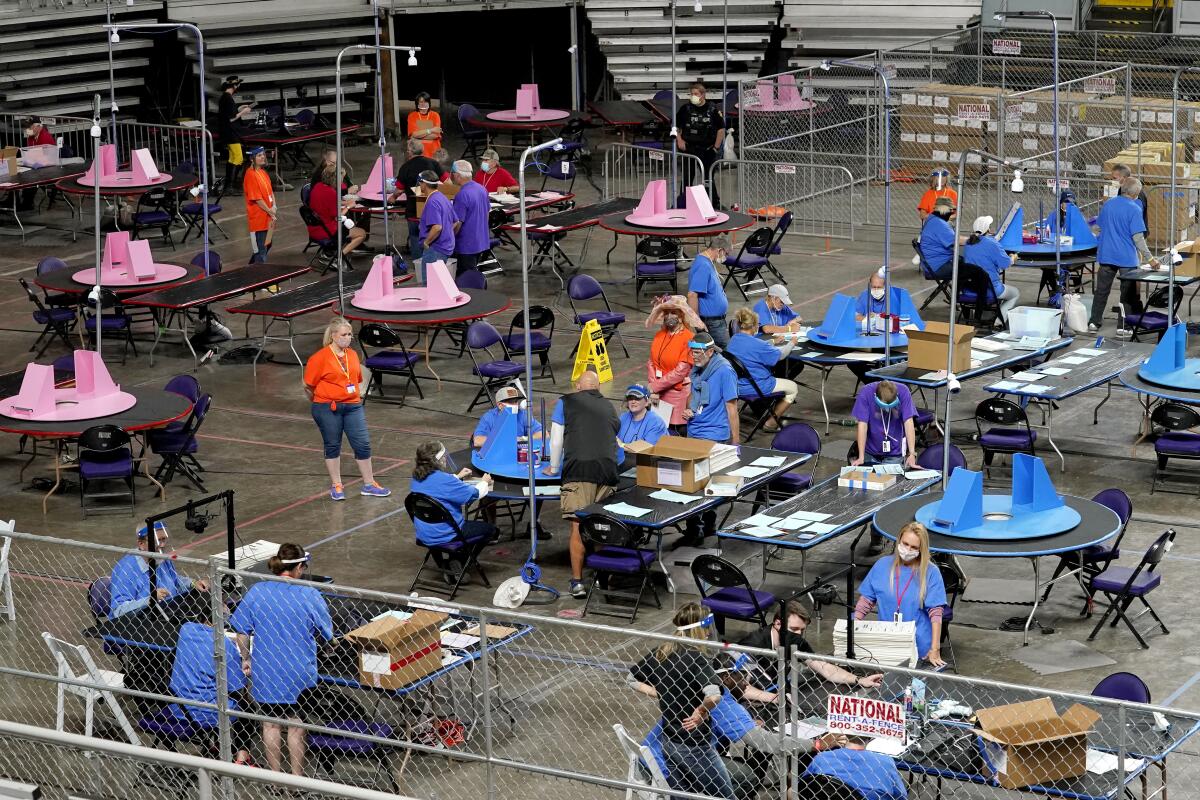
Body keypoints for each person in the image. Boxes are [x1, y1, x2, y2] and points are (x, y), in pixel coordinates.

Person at [231, 543, 334, 777]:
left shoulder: (257, 591)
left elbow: (241, 631)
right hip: (298, 673)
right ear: (298, 567)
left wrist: (246, 659)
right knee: (296, 727)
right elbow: (327, 633)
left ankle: (275, 779)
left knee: (270, 724)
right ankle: (296, 780)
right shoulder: (309, 594)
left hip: (267, 671)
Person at [628, 603, 734, 799]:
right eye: (707, 628)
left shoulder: (661, 652)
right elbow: (714, 695)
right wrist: (701, 711)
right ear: (698, 629)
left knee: (681, 795)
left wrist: (661, 692)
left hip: (669, 740)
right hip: (695, 744)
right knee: (725, 795)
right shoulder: (697, 658)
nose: (710, 634)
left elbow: (631, 679)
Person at [543, 369, 621, 599]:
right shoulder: (608, 406)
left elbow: (556, 438)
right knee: (601, 526)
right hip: (607, 470)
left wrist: (554, 467)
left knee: (578, 525)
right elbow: (615, 438)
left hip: (579, 469)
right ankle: (602, 578)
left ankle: (577, 581)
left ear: (577, 386)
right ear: (597, 387)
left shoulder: (566, 403)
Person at [303, 317, 390, 501]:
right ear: (333, 336)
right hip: (327, 407)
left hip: (352, 405)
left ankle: (369, 484)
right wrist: (320, 399)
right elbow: (308, 384)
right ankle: (337, 485)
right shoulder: (319, 358)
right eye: (344, 334)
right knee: (333, 444)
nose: (348, 338)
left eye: (350, 334)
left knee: (362, 444)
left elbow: (355, 380)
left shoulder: (352, 355)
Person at [166, 605, 255, 765]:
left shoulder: (185, 631)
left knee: (216, 690)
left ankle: (214, 744)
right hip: (207, 712)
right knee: (247, 708)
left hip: (178, 706)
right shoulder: (224, 644)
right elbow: (236, 686)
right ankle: (242, 758)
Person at [855, 521, 948, 669]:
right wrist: (850, 627)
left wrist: (934, 649)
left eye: (914, 547)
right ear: (899, 540)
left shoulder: (930, 572)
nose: (908, 550)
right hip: (888, 643)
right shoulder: (882, 565)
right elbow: (866, 601)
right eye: (905, 544)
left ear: (921, 549)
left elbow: (936, 613)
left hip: (919, 646)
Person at [739, 601, 883, 692]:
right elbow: (738, 688)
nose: (798, 634)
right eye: (794, 629)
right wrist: (776, 700)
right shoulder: (752, 645)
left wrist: (858, 680)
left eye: (802, 630)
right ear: (778, 624)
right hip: (755, 700)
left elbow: (823, 667)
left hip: (778, 693)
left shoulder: (796, 642)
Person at [409, 441, 497, 585]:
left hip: (425, 533)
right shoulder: (446, 480)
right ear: (438, 460)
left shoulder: (417, 477)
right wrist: (485, 481)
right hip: (447, 533)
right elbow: (473, 494)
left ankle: (446, 565)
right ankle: (458, 563)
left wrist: (456, 477)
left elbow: (437, 487)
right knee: (491, 530)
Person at [680, 332, 738, 547]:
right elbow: (692, 394)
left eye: (697, 352)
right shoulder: (698, 367)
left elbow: (732, 408)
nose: (693, 356)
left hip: (714, 433)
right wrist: (688, 410)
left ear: (710, 351)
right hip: (695, 430)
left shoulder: (724, 371)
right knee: (692, 483)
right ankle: (696, 527)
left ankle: (703, 527)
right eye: (692, 352)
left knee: (704, 485)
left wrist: (735, 443)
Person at [1091, 177, 1159, 332]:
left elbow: (1098, 227)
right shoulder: (1135, 209)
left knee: (1101, 291)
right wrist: (1151, 258)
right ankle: (1124, 326)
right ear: (1136, 194)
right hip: (1126, 258)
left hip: (1107, 255)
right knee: (1126, 294)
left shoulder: (1108, 204)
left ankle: (1094, 322)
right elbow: (1138, 238)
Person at [109, 522, 208, 619]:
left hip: (167, 613)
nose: (162, 545)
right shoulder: (126, 570)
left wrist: (193, 583)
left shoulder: (161, 559)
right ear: (141, 544)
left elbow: (174, 581)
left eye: (164, 539)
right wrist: (150, 599)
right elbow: (118, 611)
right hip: (141, 622)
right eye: (157, 541)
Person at [725, 307, 797, 431]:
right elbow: (781, 355)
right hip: (756, 386)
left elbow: (753, 349)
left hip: (736, 385)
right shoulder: (758, 345)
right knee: (793, 388)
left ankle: (767, 410)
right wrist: (792, 343)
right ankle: (771, 423)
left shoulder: (733, 340)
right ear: (753, 326)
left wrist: (772, 341)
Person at [645, 294, 699, 428]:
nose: (669, 316)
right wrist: (654, 387)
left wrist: (655, 387)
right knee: (657, 429)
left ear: (681, 317)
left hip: (677, 395)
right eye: (667, 313)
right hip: (657, 392)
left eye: (673, 312)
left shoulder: (689, 338)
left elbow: (681, 371)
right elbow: (651, 362)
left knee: (675, 432)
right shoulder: (659, 335)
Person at [803, 734, 908, 800]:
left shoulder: (821, 758)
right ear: (872, 735)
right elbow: (901, 796)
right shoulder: (885, 763)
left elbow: (804, 786)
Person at [675, 81, 726, 207]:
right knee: (687, 176)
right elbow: (675, 127)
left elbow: (721, 129)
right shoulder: (685, 109)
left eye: (696, 93)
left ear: (703, 95)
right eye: (691, 94)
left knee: (708, 177)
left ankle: (714, 203)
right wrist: (679, 140)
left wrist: (716, 148)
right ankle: (683, 202)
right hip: (689, 148)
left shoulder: (713, 110)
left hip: (707, 149)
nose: (693, 96)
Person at [961, 215, 1021, 323]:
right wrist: (1013, 257)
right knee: (1015, 293)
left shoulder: (968, 243)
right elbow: (1005, 264)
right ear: (988, 229)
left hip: (970, 287)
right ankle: (998, 322)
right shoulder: (992, 243)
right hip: (990, 288)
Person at [308, 164, 367, 269]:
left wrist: (343, 203)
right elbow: (337, 217)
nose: (342, 182)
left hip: (314, 228)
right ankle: (338, 257)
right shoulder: (331, 192)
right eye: (341, 179)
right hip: (327, 230)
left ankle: (331, 253)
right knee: (361, 233)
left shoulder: (317, 187)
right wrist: (348, 206)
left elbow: (327, 205)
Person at [850, 380, 918, 470]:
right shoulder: (866, 393)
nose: (886, 409)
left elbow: (908, 422)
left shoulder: (904, 391)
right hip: (870, 451)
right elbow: (862, 425)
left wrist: (912, 453)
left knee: (891, 482)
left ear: (897, 395)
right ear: (875, 396)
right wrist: (861, 457)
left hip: (895, 453)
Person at [397, 137, 441, 258]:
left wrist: (393, 197)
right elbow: (447, 182)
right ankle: (432, 262)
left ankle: (418, 263)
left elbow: (399, 188)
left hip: (413, 211)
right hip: (432, 210)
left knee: (415, 237)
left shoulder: (405, 167)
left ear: (409, 152)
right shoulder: (433, 163)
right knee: (433, 236)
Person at [687, 236, 732, 349]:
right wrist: (696, 320)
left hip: (716, 322)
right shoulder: (703, 265)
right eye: (726, 253)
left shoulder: (707, 262)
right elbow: (692, 295)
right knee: (724, 354)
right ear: (719, 250)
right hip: (711, 324)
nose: (726, 257)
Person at [415, 169, 456, 280]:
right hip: (445, 247)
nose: (419, 185)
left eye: (420, 183)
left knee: (429, 284)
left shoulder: (432, 202)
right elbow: (455, 221)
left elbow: (437, 227)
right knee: (438, 283)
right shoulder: (443, 198)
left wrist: (426, 242)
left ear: (424, 184)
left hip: (435, 249)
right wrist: (447, 235)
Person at [450, 159, 489, 275]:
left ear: (457, 176)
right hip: (481, 242)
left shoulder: (462, 195)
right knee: (472, 273)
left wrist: (448, 239)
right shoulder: (482, 189)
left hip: (466, 245)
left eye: (452, 174)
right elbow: (486, 214)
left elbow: (457, 223)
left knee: (465, 277)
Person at [472, 384, 542, 448]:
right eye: (511, 402)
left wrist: (523, 439)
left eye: (516, 401)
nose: (515, 405)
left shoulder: (522, 414)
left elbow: (544, 434)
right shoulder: (489, 417)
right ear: (500, 405)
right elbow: (478, 441)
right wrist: (507, 440)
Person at [616, 384, 669, 466]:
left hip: (648, 464)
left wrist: (621, 445)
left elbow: (645, 449)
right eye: (630, 398)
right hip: (626, 461)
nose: (633, 401)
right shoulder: (623, 418)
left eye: (637, 398)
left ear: (647, 402)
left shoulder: (656, 422)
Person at [216, 76, 252, 195]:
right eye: (237, 85)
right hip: (231, 133)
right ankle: (229, 187)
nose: (238, 87)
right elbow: (231, 119)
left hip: (227, 132)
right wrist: (243, 112)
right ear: (234, 86)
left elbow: (229, 113)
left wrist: (238, 108)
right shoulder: (228, 98)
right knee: (238, 158)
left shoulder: (225, 98)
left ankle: (229, 186)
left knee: (232, 158)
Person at [855, 268, 923, 329]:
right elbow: (855, 316)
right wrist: (870, 319)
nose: (875, 290)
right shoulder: (865, 295)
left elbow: (906, 321)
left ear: (886, 287)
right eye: (873, 287)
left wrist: (877, 320)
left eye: (879, 287)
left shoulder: (896, 297)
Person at [243, 146, 275, 264]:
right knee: (261, 250)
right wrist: (270, 210)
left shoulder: (262, 172)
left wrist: (274, 206)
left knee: (268, 243)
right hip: (259, 217)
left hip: (267, 216)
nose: (263, 157)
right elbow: (257, 199)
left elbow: (270, 191)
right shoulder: (250, 175)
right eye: (259, 155)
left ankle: (251, 267)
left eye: (263, 155)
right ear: (252, 159)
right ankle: (259, 277)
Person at [917, 196, 957, 279]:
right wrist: (974, 239)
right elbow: (956, 241)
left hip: (933, 263)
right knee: (974, 269)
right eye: (951, 210)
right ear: (944, 209)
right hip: (938, 266)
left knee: (968, 266)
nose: (952, 212)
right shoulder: (939, 223)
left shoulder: (932, 218)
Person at [1110, 162, 1148, 230]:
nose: (1112, 181)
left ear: (1124, 178)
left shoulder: (1136, 192)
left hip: (1134, 233)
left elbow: (1134, 218)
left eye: (1114, 178)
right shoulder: (1119, 189)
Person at [407, 91, 442, 158]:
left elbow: (436, 135)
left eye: (425, 101)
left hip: (433, 151)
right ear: (417, 103)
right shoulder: (412, 116)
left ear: (429, 103)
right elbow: (413, 134)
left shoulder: (435, 115)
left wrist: (418, 135)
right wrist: (431, 130)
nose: (423, 104)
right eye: (421, 102)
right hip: (417, 151)